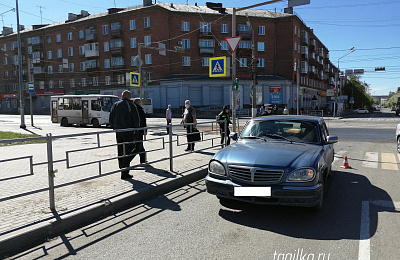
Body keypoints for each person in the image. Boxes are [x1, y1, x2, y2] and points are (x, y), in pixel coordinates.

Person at [109, 90, 140, 180]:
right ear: (129, 97)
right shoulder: (131, 105)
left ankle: (122, 168)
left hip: (119, 132)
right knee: (129, 151)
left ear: (122, 96)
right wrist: (136, 128)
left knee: (120, 150)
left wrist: (114, 127)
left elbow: (111, 117)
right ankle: (124, 170)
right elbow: (135, 118)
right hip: (128, 131)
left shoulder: (116, 104)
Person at [131, 98, 147, 164]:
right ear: (138, 103)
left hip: (134, 130)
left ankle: (143, 160)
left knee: (140, 146)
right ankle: (127, 159)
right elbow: (143, 121)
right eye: (140, 102)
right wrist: (145, 129)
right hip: (140, 130)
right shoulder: (140, 109)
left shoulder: (133, 109)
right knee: (138, 146)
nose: (141, 103)